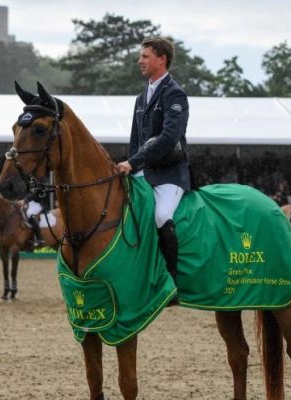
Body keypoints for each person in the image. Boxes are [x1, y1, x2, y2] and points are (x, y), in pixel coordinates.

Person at [116, 36, 190, 285]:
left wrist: (134, 163)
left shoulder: (175, 94)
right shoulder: (140, 99)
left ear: (162, 59)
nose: (140, 61)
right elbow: (136, 141)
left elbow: (169, 138)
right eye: (141, 56)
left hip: (170, 173)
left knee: (161, 215)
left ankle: (172, 279)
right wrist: (130, 163)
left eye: (145, 56)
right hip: (144, 172)